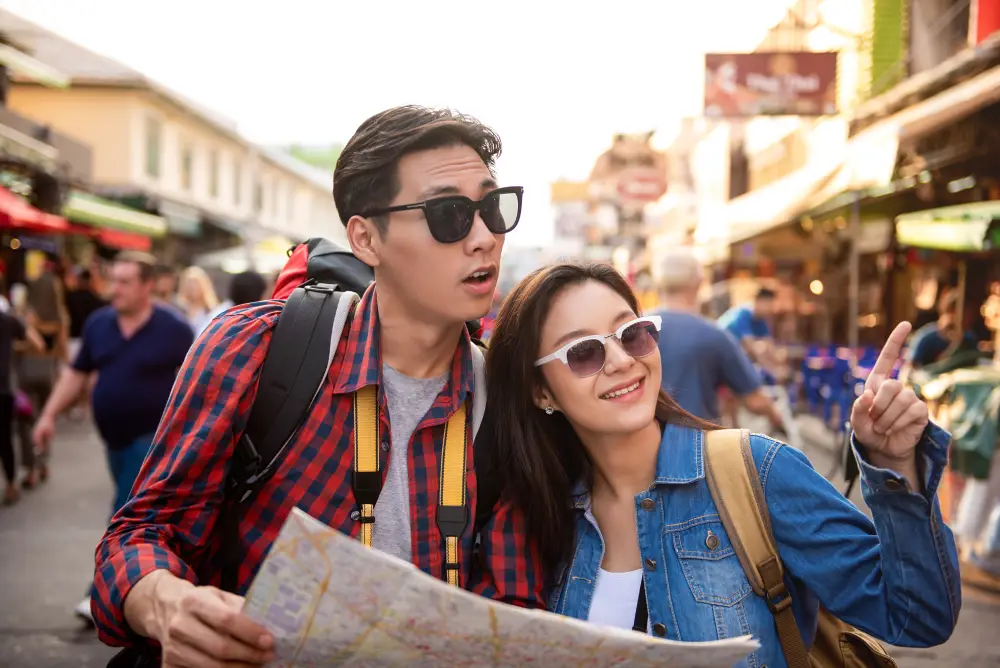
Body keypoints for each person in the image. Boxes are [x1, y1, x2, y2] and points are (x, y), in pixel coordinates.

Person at [91, 105, 540, 667]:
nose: (484, 238)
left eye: (493, 208)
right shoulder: (257, 348)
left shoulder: (501, 401)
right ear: (365, 239)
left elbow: (511, 602)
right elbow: (141, 532)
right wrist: (167, 603)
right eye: (449, 213)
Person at [485, 262, 960, 667]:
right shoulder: (545, 519)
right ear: (541, 391)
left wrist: (896, 465)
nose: (619, 360)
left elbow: (917, 615)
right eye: (583, 352)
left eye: (631, 334)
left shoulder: (755, 471)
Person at [32, 251, 195, 623]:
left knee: (123, 511)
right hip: (114, 441)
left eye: (124, 282)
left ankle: (99, 595)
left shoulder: (175, 327)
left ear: (147, 286)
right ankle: (154, 581)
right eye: (112, 280)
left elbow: (196, 382)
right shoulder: (99, 323)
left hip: (152, 440)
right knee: (138, 515)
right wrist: (47, 415)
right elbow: (77, 373)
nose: (113, 289)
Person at [651, 248, 783, 428]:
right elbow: (755, 401)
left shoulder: (636, 330)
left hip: (645, 441)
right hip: (697, 444)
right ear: (698, 283)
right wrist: (774, 414)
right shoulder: (714, 335)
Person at [0, 277, 44, 505]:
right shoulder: (9, 320)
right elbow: (38, 344)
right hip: (4, 388)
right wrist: (12, 347)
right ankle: (10, 485)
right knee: (5, 439)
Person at [177, 266, 220, 335]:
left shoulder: (212, 311)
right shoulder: (179, 309)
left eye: (195, 283)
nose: (192, 287)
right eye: (189, 283)